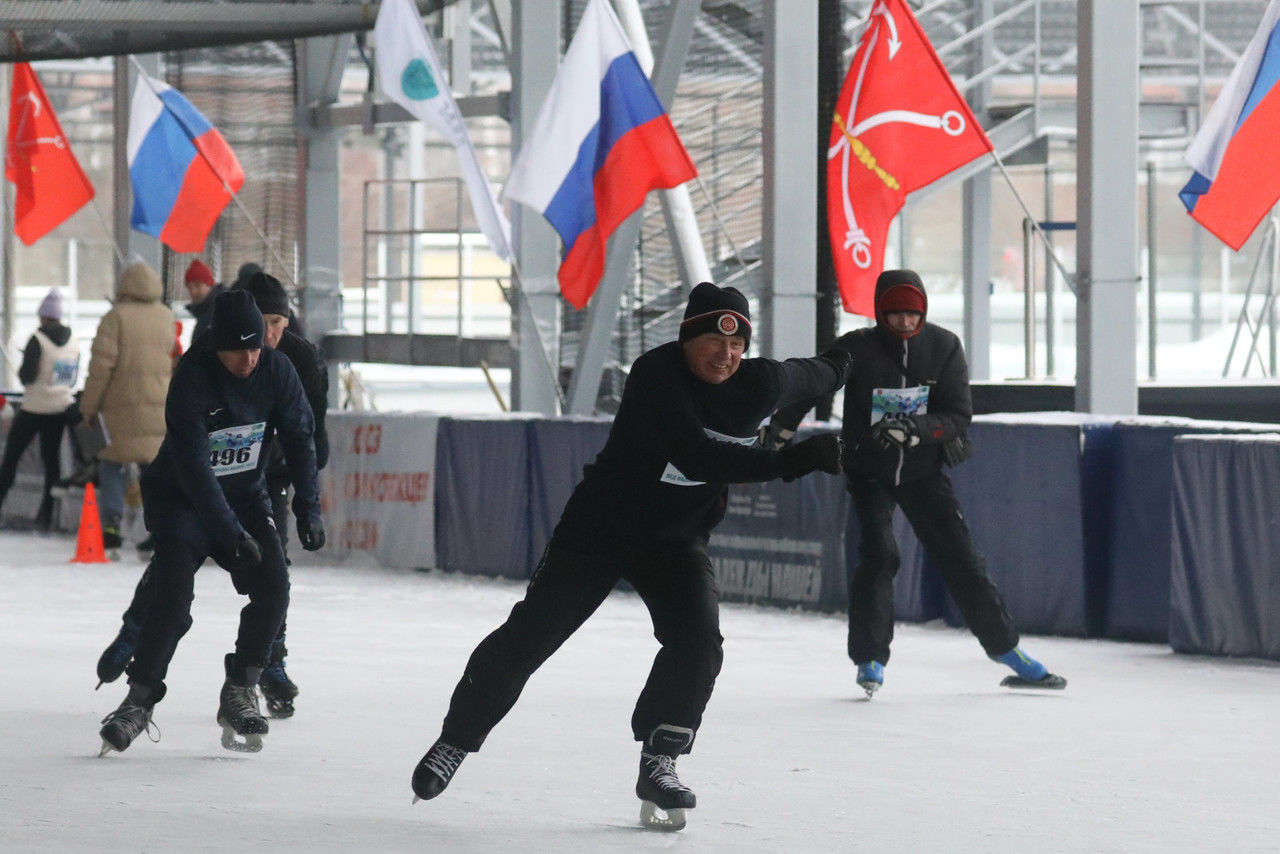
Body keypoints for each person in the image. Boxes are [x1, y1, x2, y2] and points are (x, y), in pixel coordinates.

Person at [409, 281, 849, 828]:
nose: (726, 355)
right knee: (533, 633)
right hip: (601, 529)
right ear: (688, 338)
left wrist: (848, 359)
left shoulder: (762, 382)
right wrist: (792, 458)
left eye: (737, 346)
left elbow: (819, 371)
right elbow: (696, 453)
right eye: (714, 341)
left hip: (676, 540)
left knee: (698, 642)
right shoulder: (656, 375)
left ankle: (660, 759)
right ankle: (456, 739)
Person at [765, 269, 1066, 699]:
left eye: (912, 314)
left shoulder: (944, 347)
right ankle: (870, 659)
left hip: (924, 474)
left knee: (962, 559)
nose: (905, 323)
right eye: (894, 315)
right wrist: (781, 429)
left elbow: (959, 416)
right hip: (869, 473)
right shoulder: (856, 348)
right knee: (878, 555)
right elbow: (813, 386)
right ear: (879, 313)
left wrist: (917, 430)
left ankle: (1008, 651)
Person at [96, 289, 325, 756]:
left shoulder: (276, 370)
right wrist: (229, 536)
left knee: (275, 585)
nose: (249, 358)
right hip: (184, 501)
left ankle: (241, 686)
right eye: (238, 349)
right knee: (173, 596)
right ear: (216, 345)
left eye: (256, 346)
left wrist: (309, 508)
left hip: (244, 497)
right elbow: (196, 471)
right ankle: (138, 701)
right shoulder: (193, 379)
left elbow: (302, 438)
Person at [80, 261, 176, 549]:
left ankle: (111, 524)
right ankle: (156, 529)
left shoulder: (115, 317)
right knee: (153, 469)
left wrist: (88, 407)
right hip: (158, 407)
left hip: (119, 409)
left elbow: (100, 368)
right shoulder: (166, 316)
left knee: (111, 464)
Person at [0, 289, 79, 529]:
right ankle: (47, 515)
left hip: (34, 408)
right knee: (52, 462)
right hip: (60, 409)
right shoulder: (73, 340)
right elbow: (72, 379)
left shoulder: (37, 339)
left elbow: (27, 376)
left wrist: (24, 366)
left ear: (43, 316)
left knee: (12, 458)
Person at [184, 258, 223, 341]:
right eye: (190, 288)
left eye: (197, 285)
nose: (193, 292)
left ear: (209, 284)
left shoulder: (220, 309)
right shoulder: (205, 311)